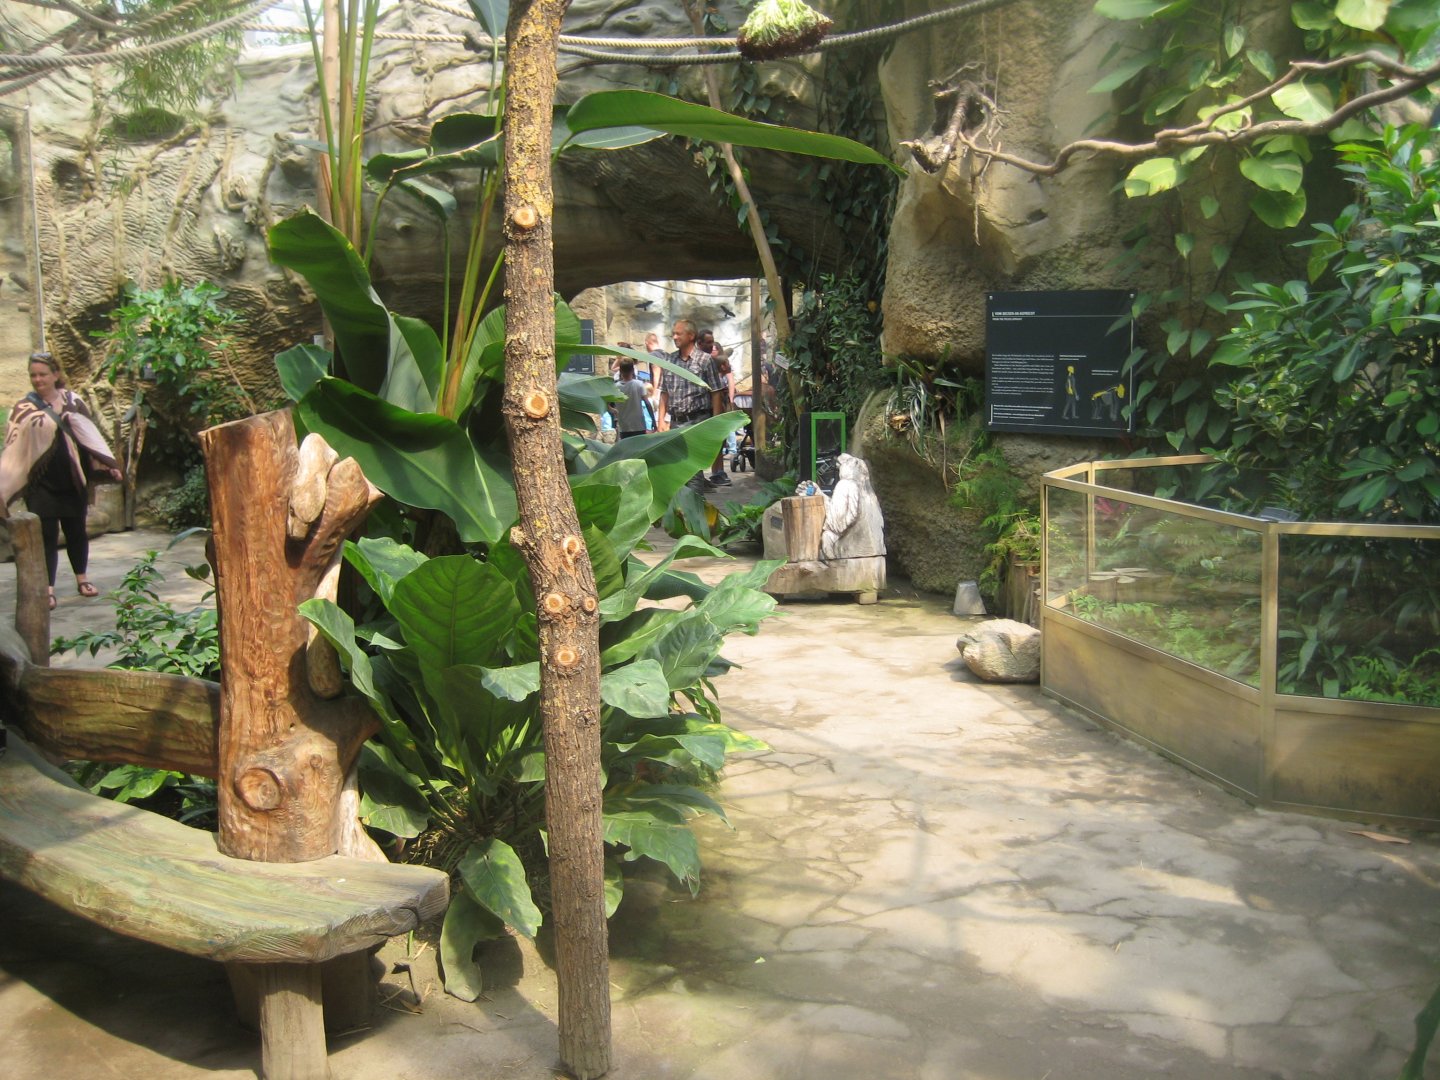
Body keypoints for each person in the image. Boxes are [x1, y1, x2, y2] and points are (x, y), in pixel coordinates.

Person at [0, 351, 123, 609]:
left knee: (76, 531)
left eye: (43, 374)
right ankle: (48, 588)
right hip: (40, 484)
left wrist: (107, 464)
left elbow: (90, 437)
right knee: (46, 535)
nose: (37, 379)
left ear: (56, 374)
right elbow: (12, 449)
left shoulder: (74, 401)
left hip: (72, 481)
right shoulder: (23, 408)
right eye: (33, 375)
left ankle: (82, 578)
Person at [661, 319, 725, 491]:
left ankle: (694, 508)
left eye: (678, 333)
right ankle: (685, 509)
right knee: (676, 467)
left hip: (697, 420)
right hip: (676, 422)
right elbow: (664, 392)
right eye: (673, 333)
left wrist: (716, 423)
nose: (674, 337)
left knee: (692, 469)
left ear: (691, 336)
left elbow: (716, 392)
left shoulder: (704, 360)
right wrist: (661, 420)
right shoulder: (670, 360)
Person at [614, 360, 650, 439]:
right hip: (639, 426)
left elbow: (608, 404)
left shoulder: (615, 387)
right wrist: (653, 421)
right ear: (632, 370)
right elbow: (647, 403)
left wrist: (614, 412)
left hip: (624, 426)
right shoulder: (639, 384)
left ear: (620, 371)